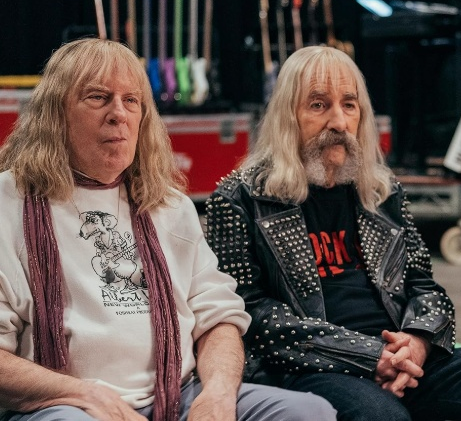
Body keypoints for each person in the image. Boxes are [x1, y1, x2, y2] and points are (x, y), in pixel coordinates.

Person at [0, 38, 336, 421]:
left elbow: (218, 319)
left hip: (180, 395)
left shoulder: (169, 204)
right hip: (67, 405)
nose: (118, 114)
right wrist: (84, 394)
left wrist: (218, 394)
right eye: (98, 97)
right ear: (56, 112)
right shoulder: (9, 201)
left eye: (131, 100)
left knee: (310, 412)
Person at [204, 45, 461, 421]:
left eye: (349, 105)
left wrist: (417, 342)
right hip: (310, 367)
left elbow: (424, 286)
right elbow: (250, 314)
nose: (339, 122)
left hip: (398, 356)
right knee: (381, 414)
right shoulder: (241, 197)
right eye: (318, 105)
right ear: (288, 116)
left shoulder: (381, 191)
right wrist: (368, 355)